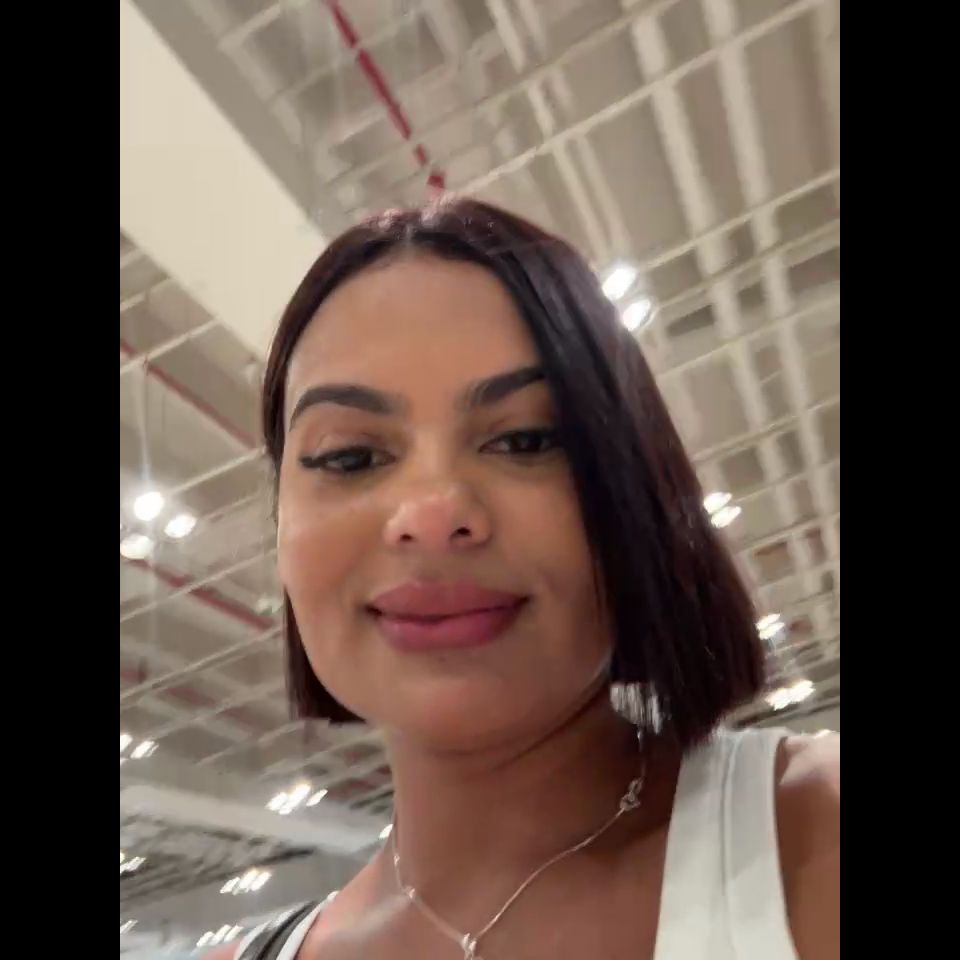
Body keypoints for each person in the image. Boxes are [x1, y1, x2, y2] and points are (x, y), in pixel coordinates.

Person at [211, 199, 839, 960]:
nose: (432, 514)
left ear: (634, 491)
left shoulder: (815, 831)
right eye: (350, 457)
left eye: (526, 440)